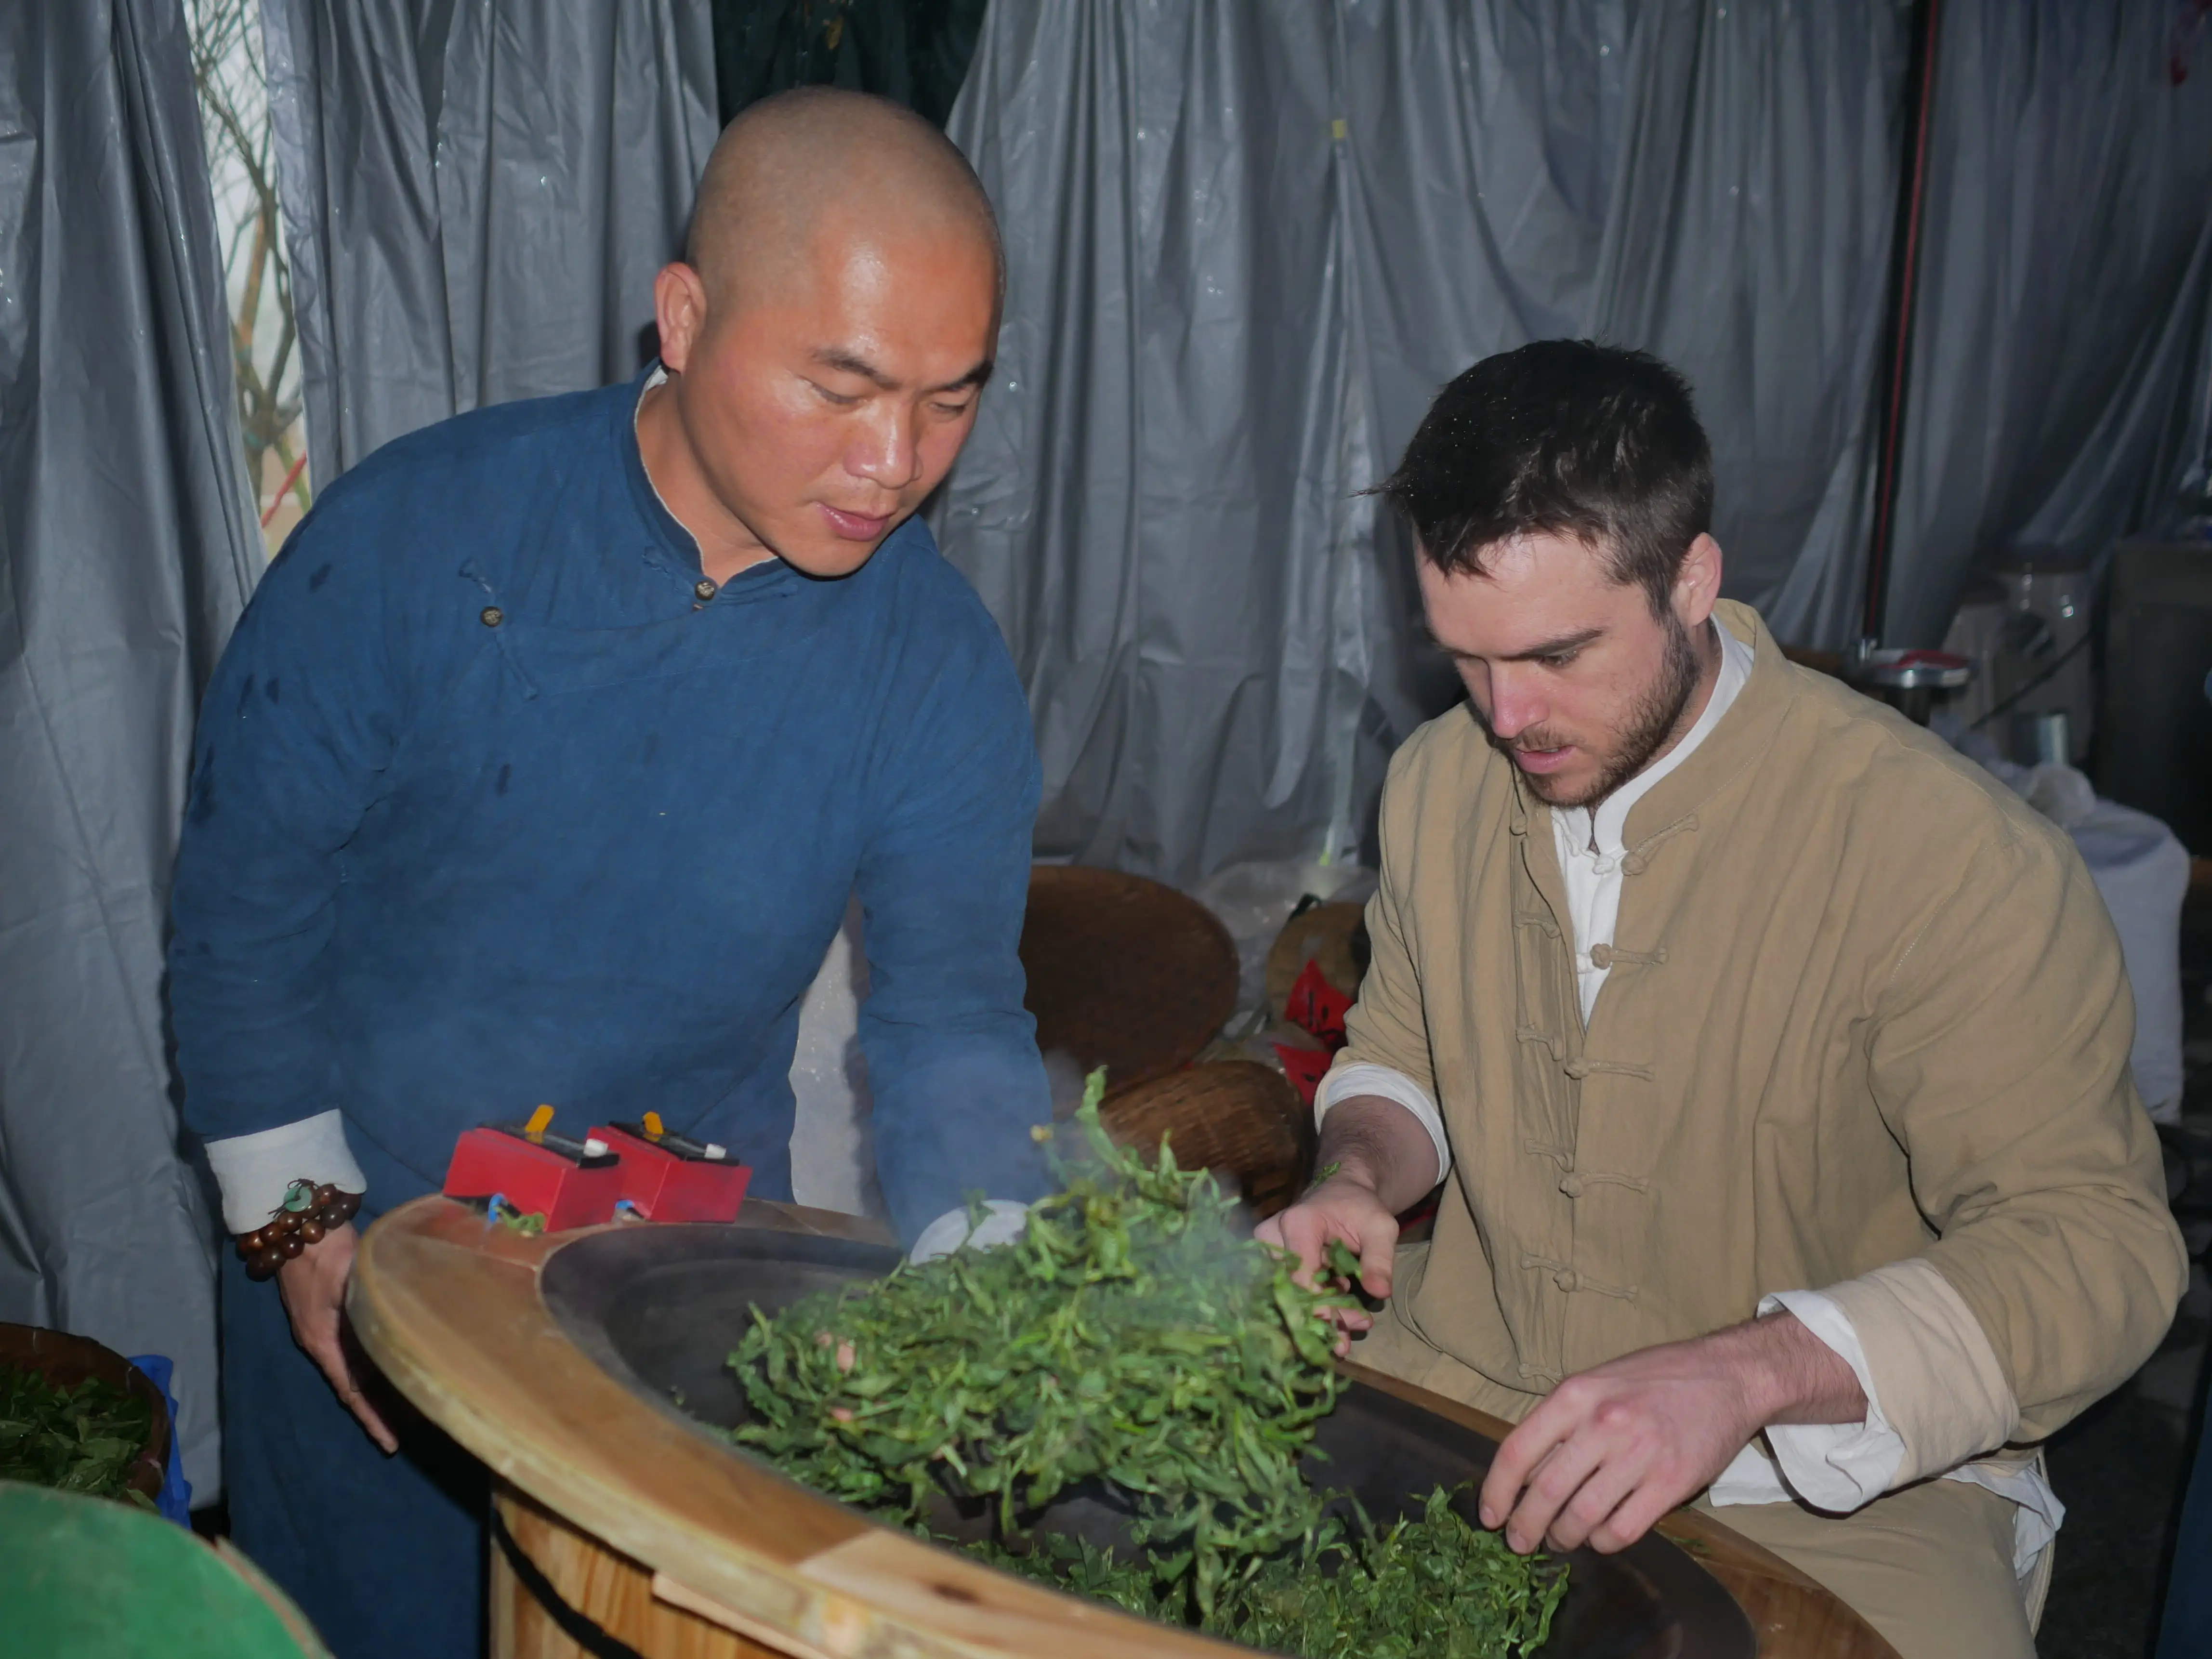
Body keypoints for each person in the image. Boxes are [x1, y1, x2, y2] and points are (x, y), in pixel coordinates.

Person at [169, 90, 1050, 1659]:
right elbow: (248, 902)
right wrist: (300, 1229)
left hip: (686, 1271)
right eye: (842, 387)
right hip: (366, 1249)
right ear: (687, 315)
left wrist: (993, 1287)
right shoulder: (421, 533)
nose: (896, 462)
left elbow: (955, 1018)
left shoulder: (938, 665)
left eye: (950, 400)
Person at [1258, 340, 2186, 1659]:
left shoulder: (1945, 854)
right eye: (1464, 657)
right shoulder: (1439, 781)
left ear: (1691, 578)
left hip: (1827, 1482)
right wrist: (1357, 1170)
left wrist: (1745, 1370)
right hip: (1463, 1387)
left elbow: (2097, 1247)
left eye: (1558, 652)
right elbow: (1401, 1046)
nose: (1507, 712)